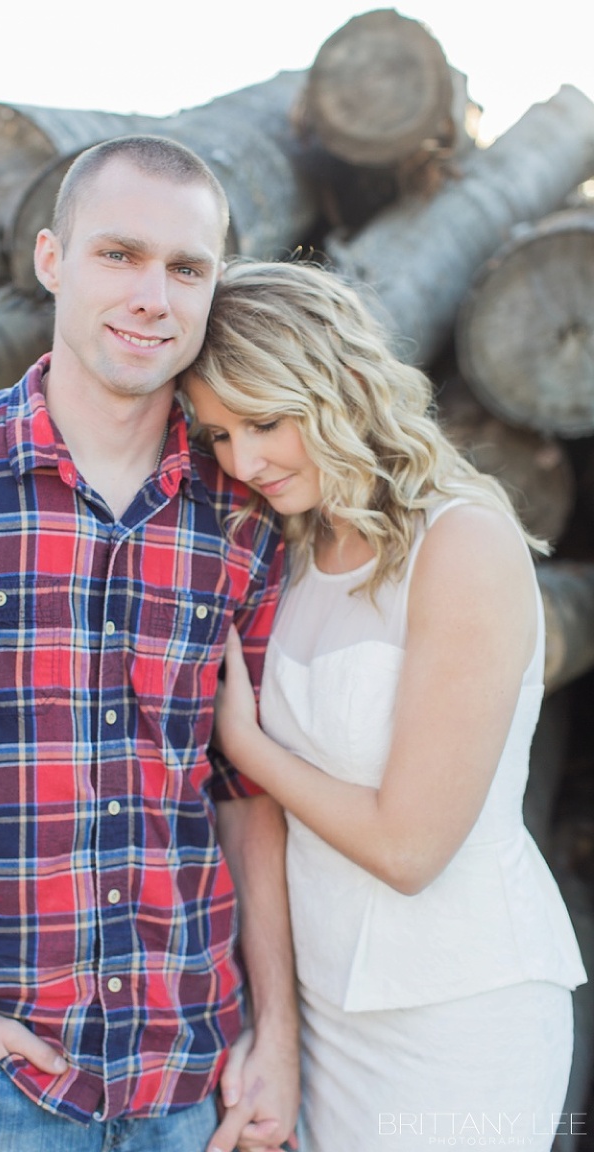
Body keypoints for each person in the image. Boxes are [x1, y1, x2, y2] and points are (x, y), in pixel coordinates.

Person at [0, 139, 300, 1152]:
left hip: (192, 1087)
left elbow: (247, 794)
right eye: (119, 255)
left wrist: (279, 1032)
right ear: (51, 259)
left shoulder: (244, 516)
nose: (152, 297)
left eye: (186, 268)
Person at [180, 257, 587, 1152]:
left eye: (265, 422)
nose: (244, 461)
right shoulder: (289, 554)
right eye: (218, 435)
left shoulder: (462, 542)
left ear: (338, 387)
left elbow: (410, 850)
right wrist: (275, 1021)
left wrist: (246, 745)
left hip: (456, 1011)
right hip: (323, 1013)